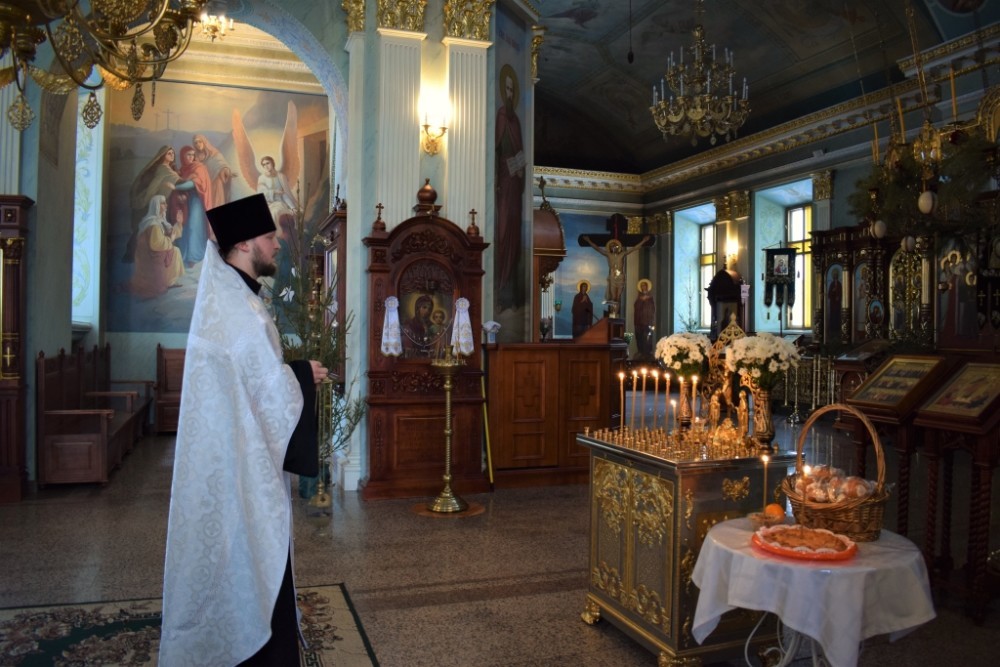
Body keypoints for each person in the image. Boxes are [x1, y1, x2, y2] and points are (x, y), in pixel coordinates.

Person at [159, 193, 327, 667]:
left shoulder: (231, 299)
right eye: (270, 237)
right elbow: (270, 396)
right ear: (245, 243)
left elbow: (250, 385)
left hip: (226, 459)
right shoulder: (242, 312)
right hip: (239, 471)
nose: (277, 245)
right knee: (249, 560)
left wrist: (291, 373)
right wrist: (302, 374)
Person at [495, 64, 526, 308]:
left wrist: (521, 168)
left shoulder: (516, 121)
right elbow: (496, 150)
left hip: (515, 184)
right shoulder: (501, 117)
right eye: (506, 89)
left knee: (514, 234)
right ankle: (500, 291)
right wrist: (500, 172)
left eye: (512, 90)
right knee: (503, 231)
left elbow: (521, 152)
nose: (509, 94)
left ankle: (512, 294)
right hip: (503, 182)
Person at [125, 145, 183, 262]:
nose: (172, 155)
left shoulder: (169, 169)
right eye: (169, 153)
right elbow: (157, 185)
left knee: (161, 226)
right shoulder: (163, 168)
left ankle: (162, 254)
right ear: (163, 155)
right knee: (149, 226)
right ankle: (134, 253)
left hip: (164, 201)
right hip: (157, 202)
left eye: (173, 153)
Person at [127, 195, 184, 299]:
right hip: (149, 259)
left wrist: (178, 223)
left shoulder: (159, 221)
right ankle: (165, 282)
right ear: (156, 206)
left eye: (165, 203)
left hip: (155, 254)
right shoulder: (153, 224)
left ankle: (169, 282)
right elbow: (157, 244)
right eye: (163, 203)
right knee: (175, 251)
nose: (166, 205)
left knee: (175, 251)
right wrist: (170, 240)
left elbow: (171, 233)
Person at [173, 145, 213, 266]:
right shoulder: (183, 169)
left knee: (193, 226)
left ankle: (195, 256)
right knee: (184, 226)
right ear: (183, 156)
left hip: (197, 202)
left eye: (192, 155)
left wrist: (174, 187)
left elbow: (192, 184)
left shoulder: (199, 168)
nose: (191, 157)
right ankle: (185, 255)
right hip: (187, 202)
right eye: (188, 155)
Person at [583, 235, 652, 305]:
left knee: (618, 297)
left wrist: (644, 241)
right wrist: (588, 240)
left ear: (618, 248)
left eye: (616, 247)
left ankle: (615, 307)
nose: (614, 248)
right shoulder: (608, 254)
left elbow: (634, 248)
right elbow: (597, 248)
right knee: (613, 297)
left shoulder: (622, 254)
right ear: (610, 248)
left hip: (621, 276)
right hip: (613, 276)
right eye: (612, 247)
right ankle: (613, 307)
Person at [258, 154, 298, 236]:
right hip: (266, 203)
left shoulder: (281, 176)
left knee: (275, 212)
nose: (266, 166)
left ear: (272, 163)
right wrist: (275, 191)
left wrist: (292, 207)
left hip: (279, 203)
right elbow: (261, 193)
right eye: (264, 164)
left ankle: (277, 236)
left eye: (268, 163)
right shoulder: (261, 178)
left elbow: (285, 194)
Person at [193, 133, 235, 206]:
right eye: (196, 143)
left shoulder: (214, 153)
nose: (198, 144)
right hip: (204, 186)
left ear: (204, 142)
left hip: (216, 183)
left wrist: (226, 171)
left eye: (200, 142)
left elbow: (222, 164)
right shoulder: (195, 157)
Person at [633, 278, 656, 358]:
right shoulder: (638, 298)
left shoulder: (650, 298)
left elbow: (652, 309)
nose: (643, 287)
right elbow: (636, 307)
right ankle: (640, 351)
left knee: (647, 336)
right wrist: (640, 302)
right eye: (642, 286)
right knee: (639, 336)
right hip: (639, 321)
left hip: (647, 321)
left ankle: (648, 352)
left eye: (644, 286)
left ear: (647, 287)